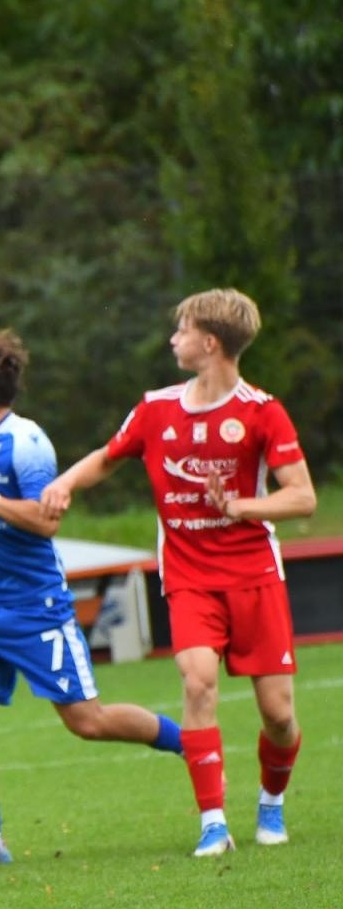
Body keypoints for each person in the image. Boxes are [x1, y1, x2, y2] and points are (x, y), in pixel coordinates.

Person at [39, 289, 315, 857]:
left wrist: (240, 506)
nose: (173, 339)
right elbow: (109, 456)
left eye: (182, 330)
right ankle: (213, 822)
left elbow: (303, 497)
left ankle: (270, 802)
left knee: (279, 716)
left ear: (209, 343)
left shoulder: (263, 412)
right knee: (196, 682)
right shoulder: (156, 408)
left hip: (255, 574)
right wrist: (65, 482)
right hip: (189, 576)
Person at [0, 329, 183, 870]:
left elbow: (46, 522)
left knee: (86, 721)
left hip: (34, 608)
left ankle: (189, 744)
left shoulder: (28, 444)